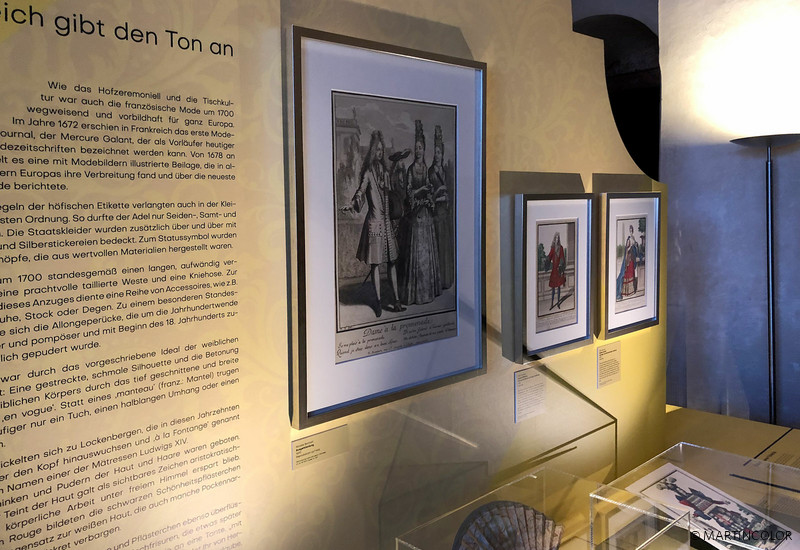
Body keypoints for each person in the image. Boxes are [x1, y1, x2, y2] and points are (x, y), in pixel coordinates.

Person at [341, 130, 405, 317]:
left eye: (381, 150)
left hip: (386, 223)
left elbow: (390, 194)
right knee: (376, 264)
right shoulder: (368, 173)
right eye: (377, 149)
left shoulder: (384, 172)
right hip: (375, 224)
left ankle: (397, 301)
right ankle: (377, 302)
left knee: (392, 262)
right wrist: (352, 204)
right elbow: (361, 191)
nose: (379, 152)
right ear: (372, 151)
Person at [402, 120, 442, 305]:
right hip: (416, 215)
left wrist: (429, 192)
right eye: (416, 148)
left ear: (424, 150)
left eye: (420, 148)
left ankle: (427, 292)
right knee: (417, 253)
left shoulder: (425, 168)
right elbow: (409, 192)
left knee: (427, 253)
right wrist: (421, 191)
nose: (418, 151)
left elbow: (428, 188)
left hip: (425, 214)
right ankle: (416, 294)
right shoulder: (411, 169)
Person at [429, 125, 454, 289]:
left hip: (446, 213)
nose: (437, 155)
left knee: (446, 246)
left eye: (439, 152)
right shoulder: (431, 172)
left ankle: (447, 279)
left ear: (442, 153)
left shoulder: (445, 171)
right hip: (437, 213)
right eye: (435, 152)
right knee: (437, 246)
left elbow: (451, 191)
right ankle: (437, 281)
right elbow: (430, 195)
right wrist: (439, 193)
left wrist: (447, 196)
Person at [616, 224, 640, 300]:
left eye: (631, 230)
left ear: (633, 230)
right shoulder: (629, 238)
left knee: (631, 273)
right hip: (628, 259)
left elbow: (636, 248)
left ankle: (631, 291)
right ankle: (625, 292)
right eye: (630, 230)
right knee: (627, 274)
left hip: (632, 259)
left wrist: (635, 245)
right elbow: (627, 249)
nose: (631, 231)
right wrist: (631, 247)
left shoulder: (633, 238)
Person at [546, 232, 567, 309]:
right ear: (555, 238)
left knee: (558, 288)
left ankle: (558, 303)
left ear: (559, 239)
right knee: (553, 288)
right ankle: (552, 304)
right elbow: (549, 256)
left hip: (558, 270)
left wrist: (561, 265)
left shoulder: (560, 248)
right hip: (553, 270)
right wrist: (547, 260)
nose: (557, 239)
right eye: (556, 237)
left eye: (558, 238)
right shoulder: (553, 248)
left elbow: (562, 257)